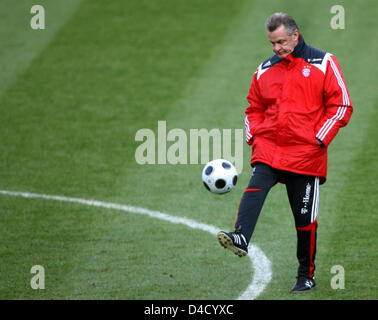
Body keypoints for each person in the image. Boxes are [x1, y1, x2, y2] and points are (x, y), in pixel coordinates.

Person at [217, 12, 353, 292]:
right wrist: (254, 135)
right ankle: (241, 237)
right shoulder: (265, 69)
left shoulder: (323, 62)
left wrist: (319, 138)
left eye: (281, 42)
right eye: (272, 43)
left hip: (305, 154)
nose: (276, 48)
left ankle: (306, 274)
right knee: (255, 188)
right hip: (270, 148)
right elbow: (253, 108)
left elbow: (341, 105)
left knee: (304, 219)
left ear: (295, 35)